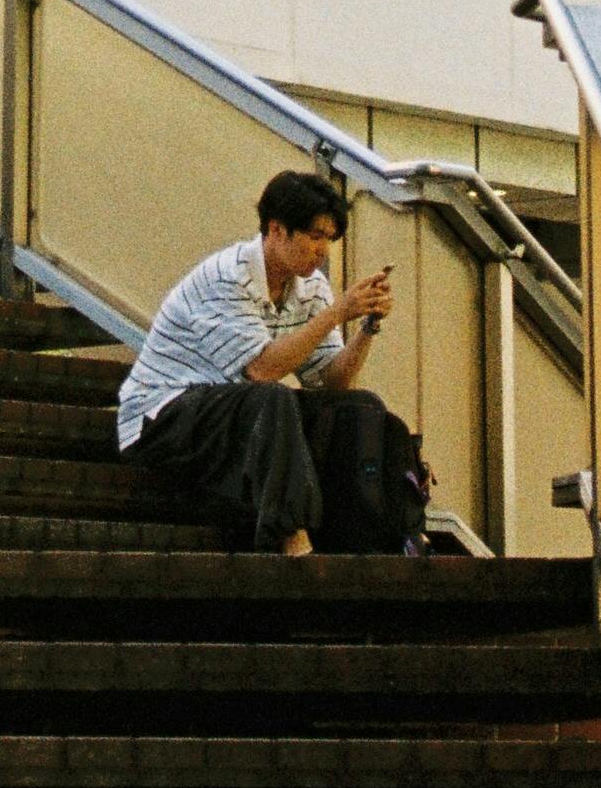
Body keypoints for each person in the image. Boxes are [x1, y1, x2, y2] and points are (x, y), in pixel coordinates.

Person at [114, 169, 422, 553]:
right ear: (276, 230)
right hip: (161, 418)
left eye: (328, 239)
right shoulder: (227, 277)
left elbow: (332, 382)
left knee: (362, 407)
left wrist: (367, 327)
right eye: (314, 236)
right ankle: (291, 534)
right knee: (272, 397)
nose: (322, 250)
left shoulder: (310, 286)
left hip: (234, 414)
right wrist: (338, 312)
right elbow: (262, 370)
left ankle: (379, 532)